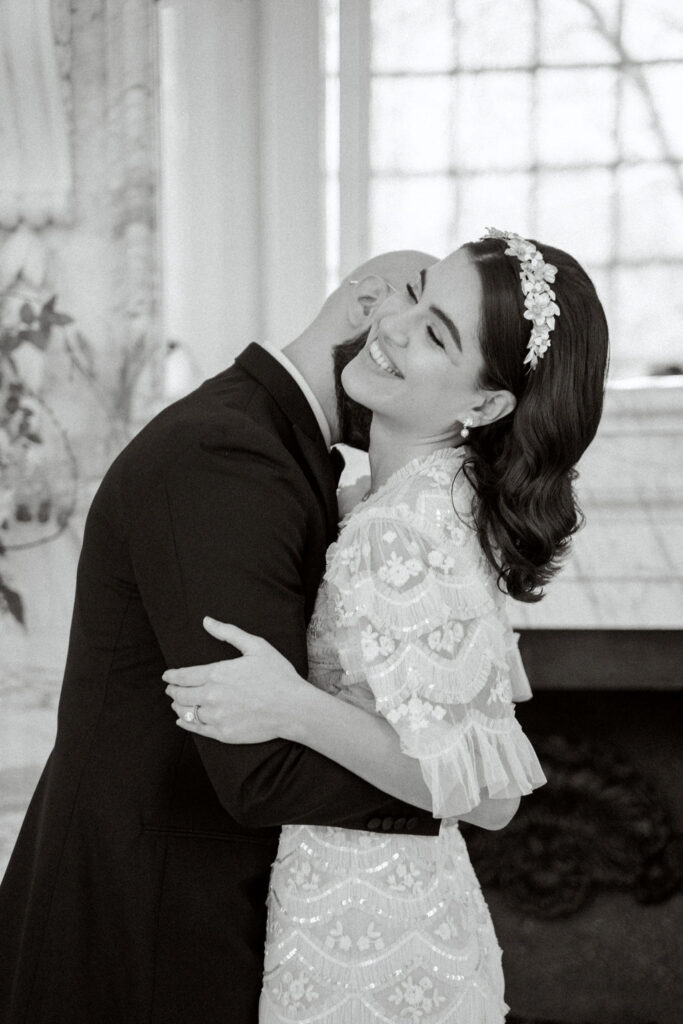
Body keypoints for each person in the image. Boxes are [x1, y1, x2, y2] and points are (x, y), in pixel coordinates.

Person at [164, 229, 610, 1022]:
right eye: (419, 297)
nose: (395, 327)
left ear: (485, 403)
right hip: (357, 896)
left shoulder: (409, 526)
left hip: (371, 929)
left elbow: (490, 798)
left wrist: (291, 706)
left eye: (437, 333)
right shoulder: (413, 498)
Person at [0, 251, 446, 1024]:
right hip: (145, 919)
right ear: (371, 300)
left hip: (170, 897)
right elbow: (257, 773)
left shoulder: (272, 441)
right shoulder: (230, 452)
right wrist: (444, 788)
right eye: (420, 328)